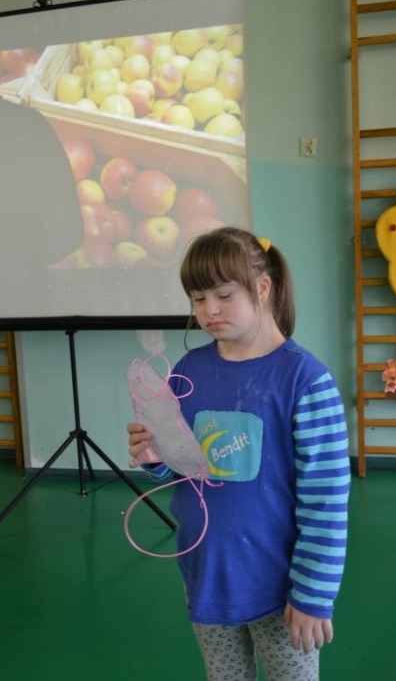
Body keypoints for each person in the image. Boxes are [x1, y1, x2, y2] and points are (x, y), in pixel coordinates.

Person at [127, 226, 350, 681]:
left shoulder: (306, 380)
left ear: (262, 287)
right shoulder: (187, 370)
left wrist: (312, 595)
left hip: (280, 590)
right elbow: (181, 467)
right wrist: (156, 457)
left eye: (224, 295)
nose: (208, 309)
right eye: (197, 298)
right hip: (208, 578)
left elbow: (326, 502)